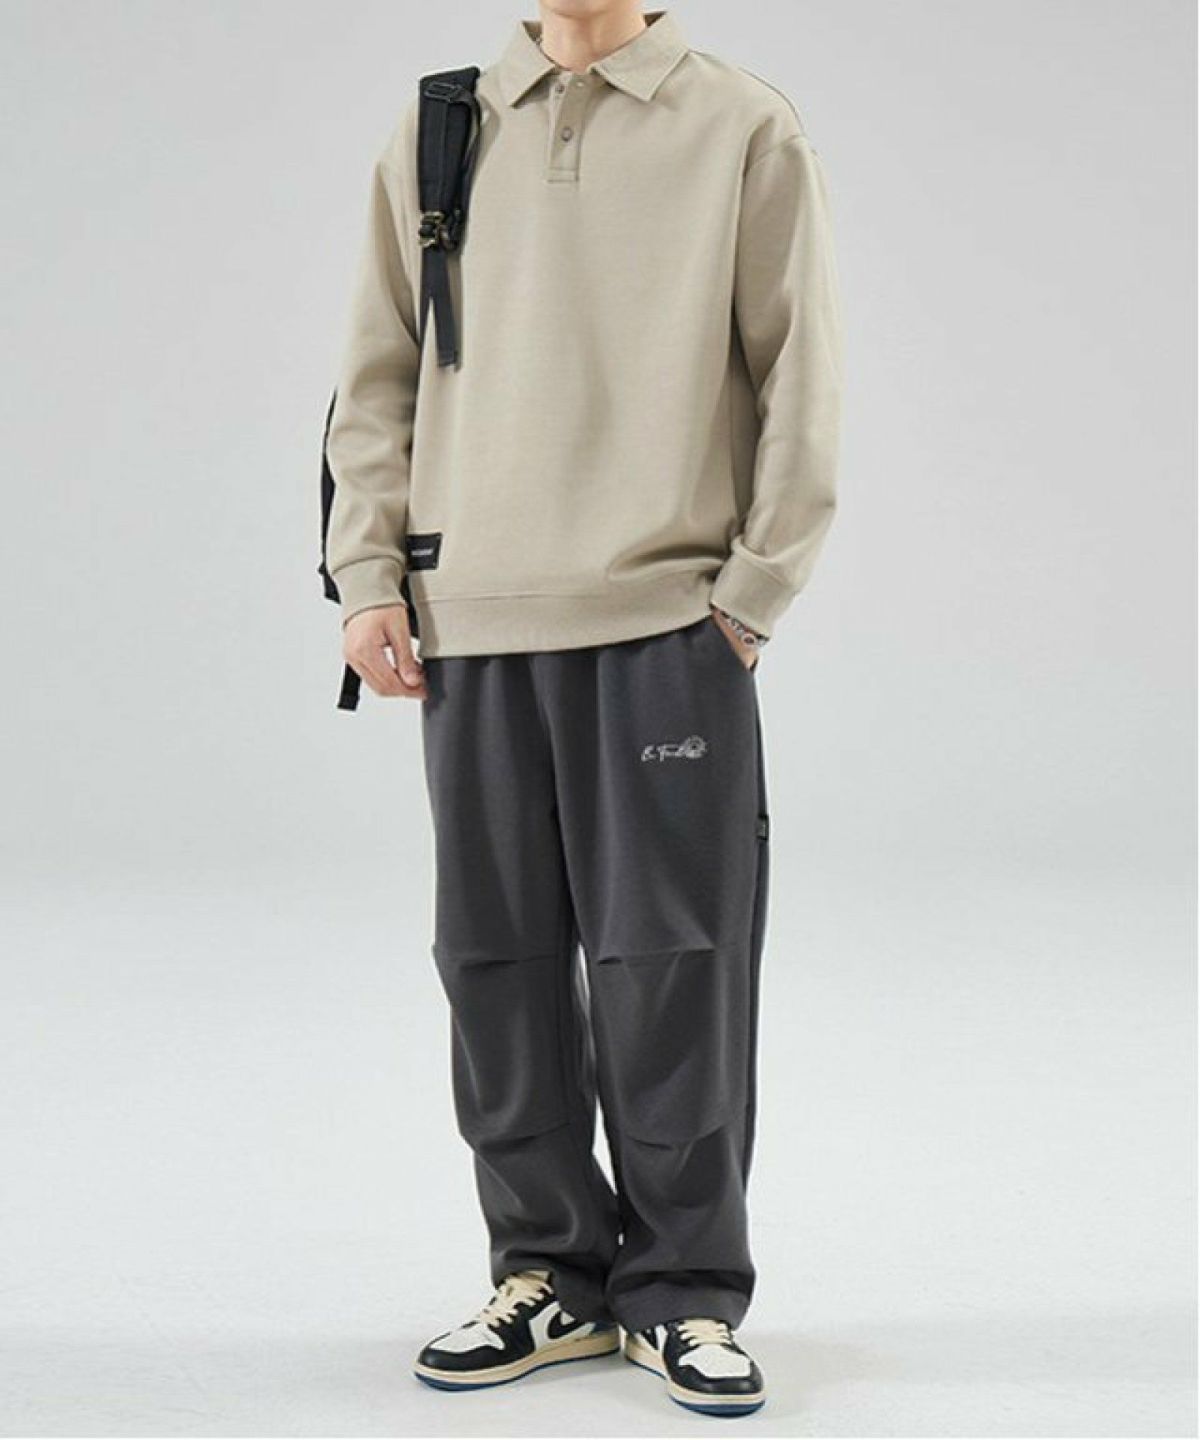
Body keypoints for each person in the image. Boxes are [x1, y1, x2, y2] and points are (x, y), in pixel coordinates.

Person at [324, 0, 842, 1418]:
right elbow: (376, 368)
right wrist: (366, 571)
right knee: (493, 965)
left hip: (665, 623)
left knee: (671, 966)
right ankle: (548, 1273)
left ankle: (682, 1289)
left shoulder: (740, 123)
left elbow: (800, 370)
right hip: (472, 623)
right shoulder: (443, 123)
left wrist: (750, 594)